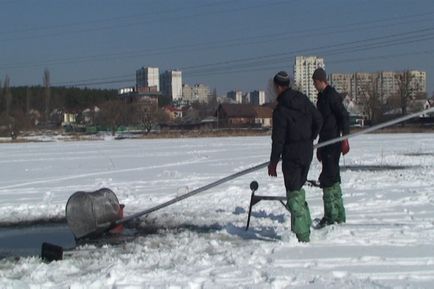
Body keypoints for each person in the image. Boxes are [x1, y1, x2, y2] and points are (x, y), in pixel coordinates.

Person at [268, 71, 323, 242]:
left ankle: (302, 236)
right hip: (306, 152)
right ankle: (304, 228)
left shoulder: (281, 110)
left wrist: (273, 162)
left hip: (291, 154)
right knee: (298, 191)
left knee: (293, 195)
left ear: (278, 87)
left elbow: (278, 139)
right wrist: (310, 138)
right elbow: (318, 119)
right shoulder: (303, 100)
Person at [312, 68, 350, 228]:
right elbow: (322, 123)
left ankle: (332, 216)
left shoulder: (332, 96)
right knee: (332, 177)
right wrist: (319, 145)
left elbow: (344, 116)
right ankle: (338, 214)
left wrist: (345, 138)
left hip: (334, 142)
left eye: (315, 83)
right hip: (325, 141)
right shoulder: (321, 98)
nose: (314, 86)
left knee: (328, 179)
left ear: (321, 81)